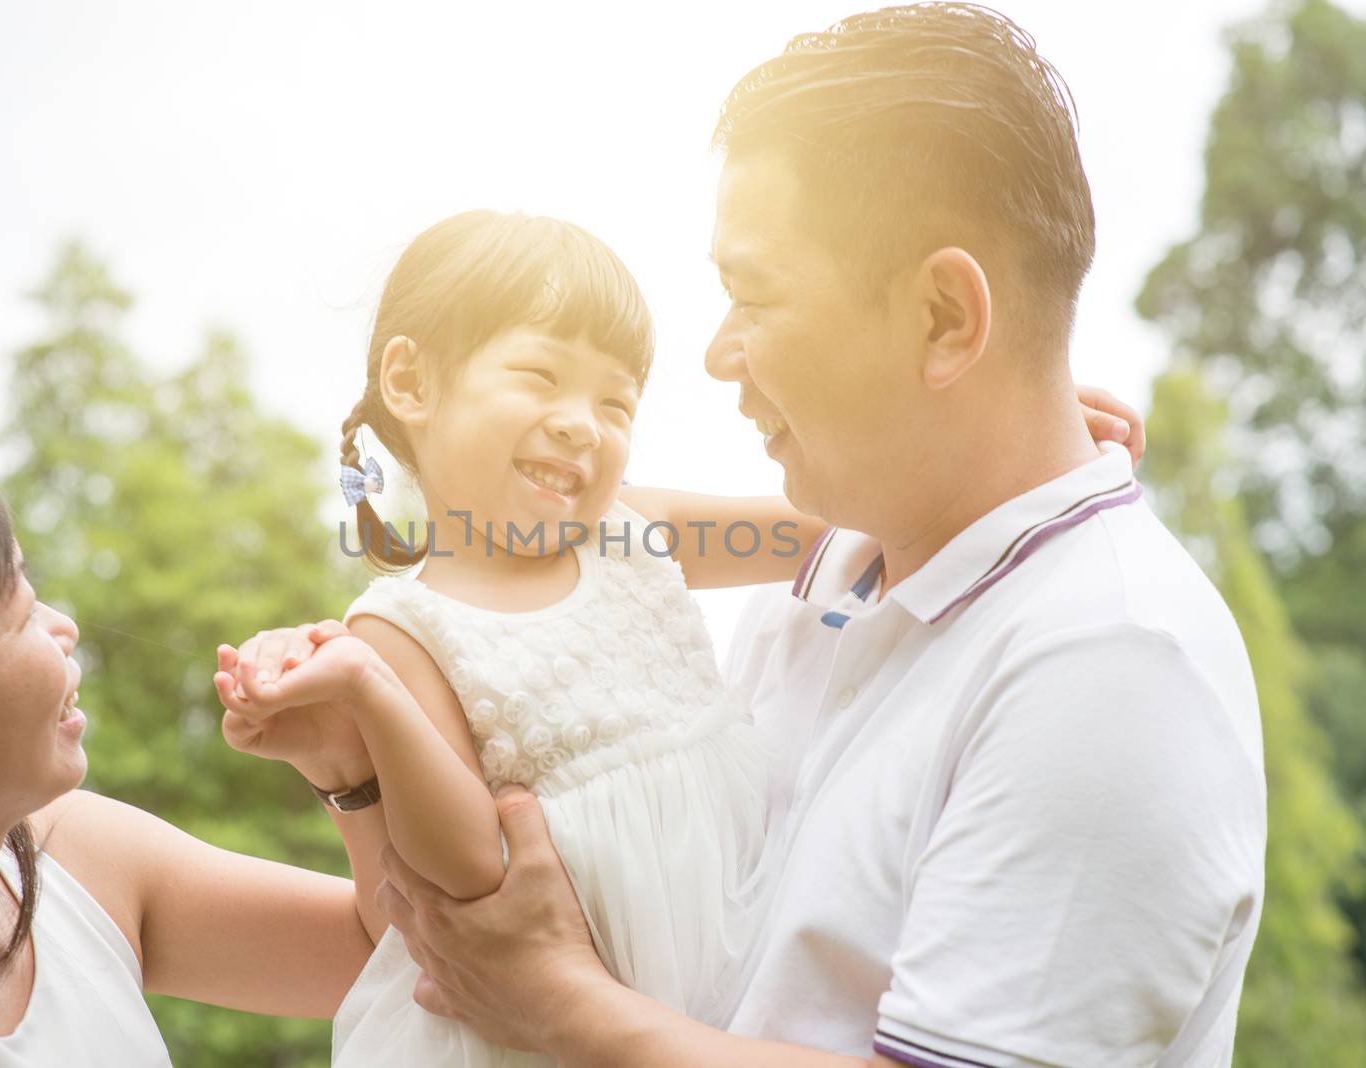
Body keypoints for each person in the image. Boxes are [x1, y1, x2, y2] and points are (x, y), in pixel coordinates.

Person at [236, 5, 1265, 1067]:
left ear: (946, 319)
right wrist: (359, 774)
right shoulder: (843, 567)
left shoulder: (1106, 665)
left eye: (752, 294)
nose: (720, 355)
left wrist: (561, 1004)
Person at [0, 427, 373, 1068]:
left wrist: (342, 764)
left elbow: (388, 956)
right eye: (22, 610)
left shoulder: (78, 856)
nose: (65, 626)